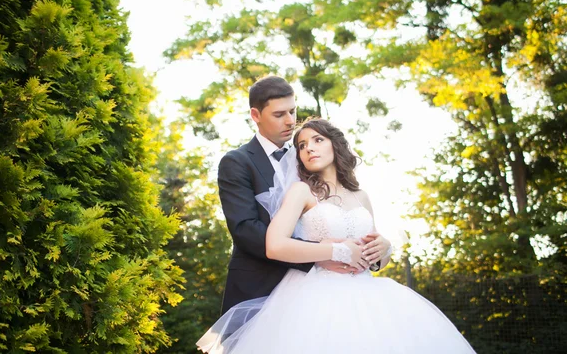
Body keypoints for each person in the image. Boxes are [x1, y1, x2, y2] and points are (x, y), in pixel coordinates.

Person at [198, 118, 476, 353]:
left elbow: (373, 253)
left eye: (317, 140)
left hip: (371, 298)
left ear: (335, 144)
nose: (308, 148)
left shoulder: (361, 195)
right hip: (314, 297)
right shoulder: (301, 192)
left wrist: (384, 248)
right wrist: (336, 251)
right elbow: (275, 245)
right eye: (302, 146)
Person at [216, 76, 391, 315]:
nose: (290, 121)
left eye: (292, 111)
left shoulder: (310, 160)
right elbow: (246, 230)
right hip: (260, 286)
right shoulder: (237, 162)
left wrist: (380, 250)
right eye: (279, 115)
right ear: (256, 115)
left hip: (335, 291)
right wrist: (321, 254)